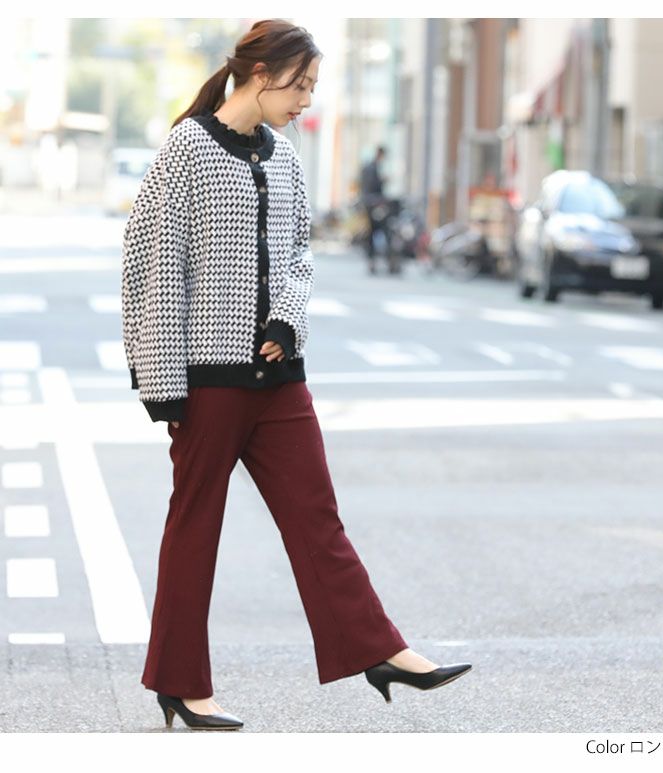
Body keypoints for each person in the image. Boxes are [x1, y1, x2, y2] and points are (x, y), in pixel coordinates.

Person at [121, 19, 471, 732]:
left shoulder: (284, 157)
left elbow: (299, 254)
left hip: (279, 381)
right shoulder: (186, 150)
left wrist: (286, 318)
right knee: (196, 525)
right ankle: (179, 683)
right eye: (300, 85)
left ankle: (379, 649)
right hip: (208, 379)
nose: (306, 100)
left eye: (312, 87)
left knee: (317, 517)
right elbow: (150, 265)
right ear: (259, 74)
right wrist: (162, 382)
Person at [359, 145, 389, 274]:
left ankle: (373, 260)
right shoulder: (373, 168)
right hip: (374, 204)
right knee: (378, 230)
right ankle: (374, 260)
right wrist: (383, 181)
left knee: (372, 232)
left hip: (369, 203)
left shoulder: (369, 167)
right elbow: (373, 186)